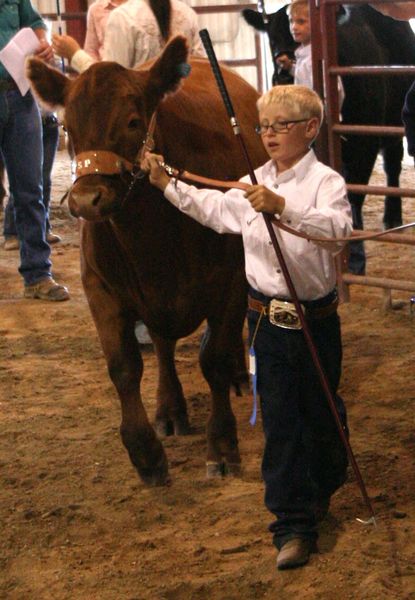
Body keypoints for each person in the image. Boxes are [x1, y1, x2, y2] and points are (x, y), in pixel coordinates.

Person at [141, 85, 352, 570]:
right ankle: (291, 526)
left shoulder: (326, 183)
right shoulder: (250, 181)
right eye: (264, 126)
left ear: (310, 129)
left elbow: (337, 233)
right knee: (279, 422)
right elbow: (216, 212)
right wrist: (166, 185)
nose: (270, 134)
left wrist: (282, 208)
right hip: (265, 324)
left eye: (281, 125)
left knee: (321, 414)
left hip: (316, 323)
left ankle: (323, 483)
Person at [0, 0, 69, 301]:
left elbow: (35, 22)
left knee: (30, 189)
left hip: (20, 95)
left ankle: (38, 274)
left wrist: (43, 44)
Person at [52, 0, 205, 73]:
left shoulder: (123, 17)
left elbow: (111, 80)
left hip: (141, 120)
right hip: (181, 118)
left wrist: (74, 54)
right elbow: (199, 69)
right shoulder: (187, 13)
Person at [3, 109, 61, 250]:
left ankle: (44, 228)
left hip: (49, 124)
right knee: (24, 178)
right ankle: (12, 232)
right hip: (25, 123)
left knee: (45, 179)